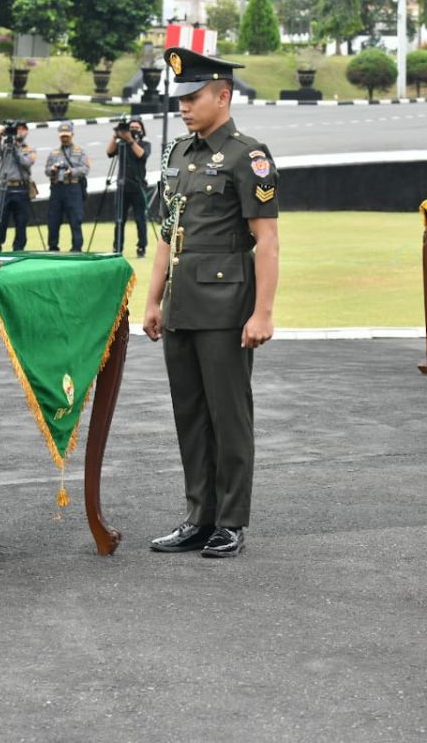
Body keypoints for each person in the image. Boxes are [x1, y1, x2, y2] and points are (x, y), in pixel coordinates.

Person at [143, 46, 280, 559]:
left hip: (225, 306)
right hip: (181, 304)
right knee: (190, 415)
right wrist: (153, 300)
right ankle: (197, 515)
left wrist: (262, 313)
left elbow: (266, 240)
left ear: (223, 96)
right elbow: (165, 235)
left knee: (229, 414)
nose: (183, 106)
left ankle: (230, 521)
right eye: (179, 98)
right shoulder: (177, 154)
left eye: (193, 97)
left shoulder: (249, 155)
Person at [106, 116, 151, 257]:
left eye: (137, 128)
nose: (133, 130)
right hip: (122, 187)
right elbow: (109, 152)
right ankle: (117, 248)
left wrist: (130, 140)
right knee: (119, 219)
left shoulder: (145, 144)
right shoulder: (122, 145)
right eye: (130, 128)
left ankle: (141, 247)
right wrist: (115, 136)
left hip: (138, 187)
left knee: (140, 219)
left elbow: (141, 155)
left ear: (142, 130)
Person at [0, 119, 36, 252]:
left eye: (23, 129)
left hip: (21, 187)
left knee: (21, 220)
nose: (20, 131)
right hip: (5, 187)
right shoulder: (5, 145)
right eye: (18, 129)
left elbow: (27, 163)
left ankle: (19, 249)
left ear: (26, 131)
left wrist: (16, 148)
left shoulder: (29, 149)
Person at [44, 120, 90, 251]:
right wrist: (52, 170)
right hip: (57, 188)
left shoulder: (80, 152)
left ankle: (77, 248)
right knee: (53, 220)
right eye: (62, 136)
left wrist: (72, 171)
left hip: (73, 188)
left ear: (72, 135)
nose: (64, 138)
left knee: (76, 219)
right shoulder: (53, 153)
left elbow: (85, 168)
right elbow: (46, 170)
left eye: (67, 136)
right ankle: (53, 247)